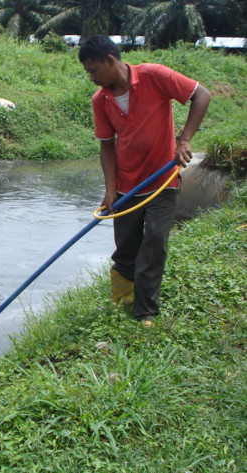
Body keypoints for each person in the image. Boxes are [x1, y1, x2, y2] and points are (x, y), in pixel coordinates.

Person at [78, 35, 210, 327]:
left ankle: (145, 312)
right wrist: (110, 191)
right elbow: (107, 146)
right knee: (125, 245)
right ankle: (122, 301)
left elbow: (202, 95)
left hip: (163, 180)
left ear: (110, 62)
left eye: (93, 70)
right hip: (127, 185)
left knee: (154, 241)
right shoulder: (101, 100)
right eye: (88, 72)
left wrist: (184, 139)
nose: (92, 78)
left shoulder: (154, 76)